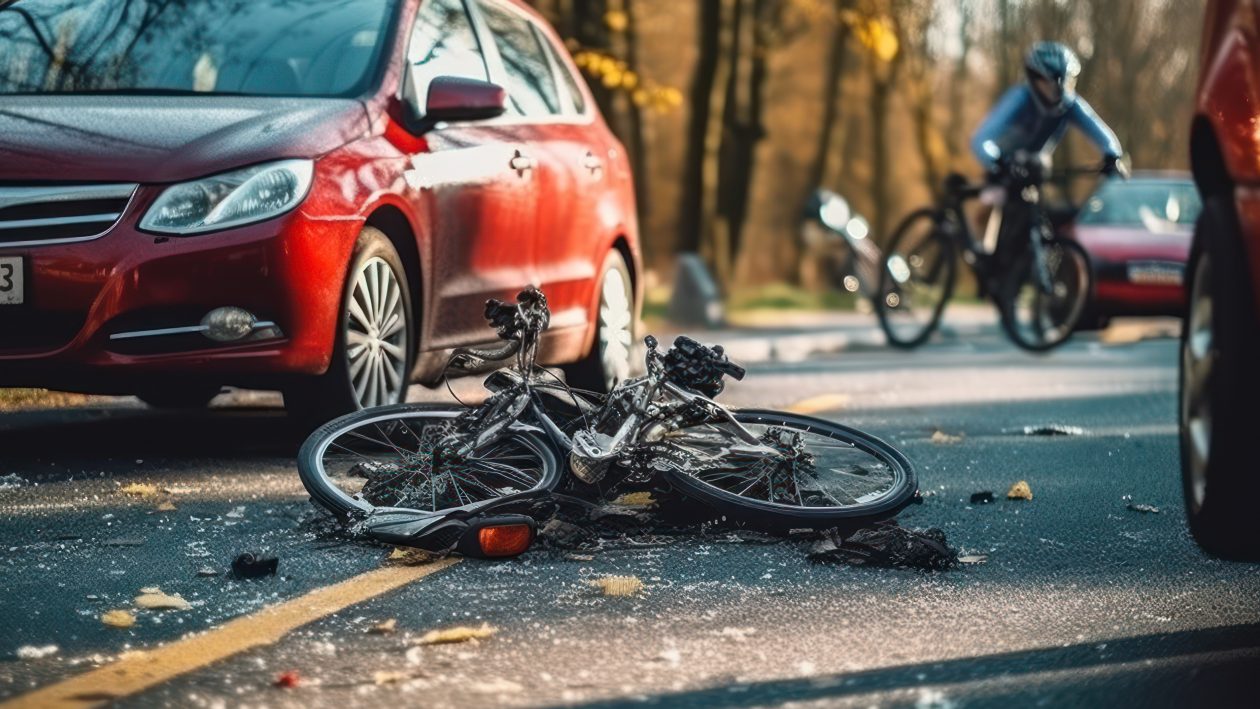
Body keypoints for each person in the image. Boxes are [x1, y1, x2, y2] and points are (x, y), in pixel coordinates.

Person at [970, 42, 1127, 265]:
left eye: (1065, 83)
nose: (1058, 91)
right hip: (1004, 167)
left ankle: (1034, 263)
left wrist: (1112, 155)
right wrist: (997, 160)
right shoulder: (1020, 98)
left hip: (1035, 168)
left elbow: (1100, 132)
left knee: (1043, 214)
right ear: (1034, 79)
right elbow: (981, 139)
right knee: (992, 203)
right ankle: (982, 259)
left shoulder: (1070, 105)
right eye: (1051, 83)